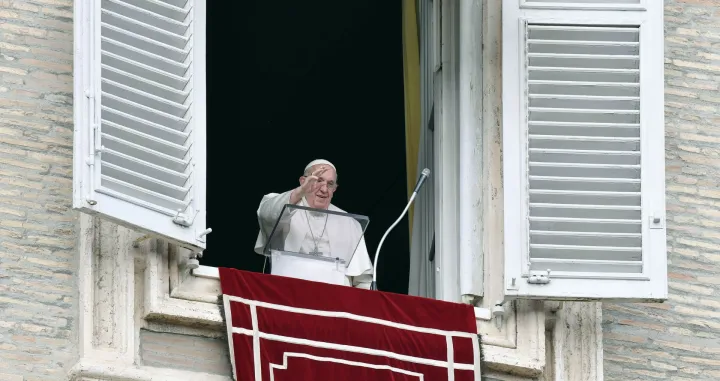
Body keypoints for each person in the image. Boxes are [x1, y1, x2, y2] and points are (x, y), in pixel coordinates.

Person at [254, 159, 373, 289]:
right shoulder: (285, 206)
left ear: (335, 189)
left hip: (336, 299)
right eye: (318, 180)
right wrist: (300, 191)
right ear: (303, 181)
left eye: (330, 184)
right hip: (288, 290)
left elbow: (363, 279)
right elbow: (267, 215)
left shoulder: (349, 223)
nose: (324, 189)